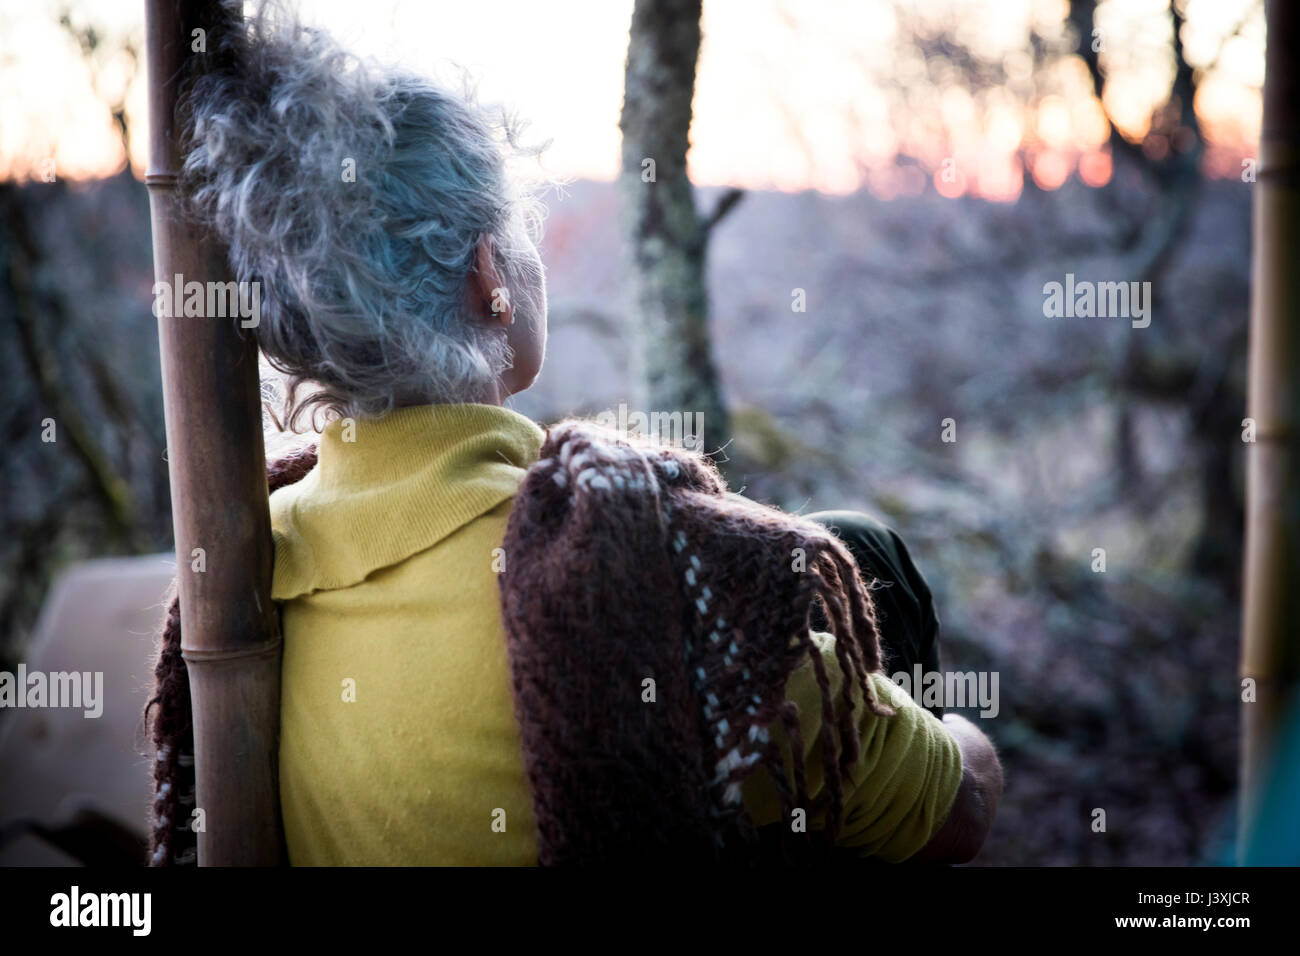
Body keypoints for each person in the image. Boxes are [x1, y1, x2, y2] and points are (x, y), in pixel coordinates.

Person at [145, 0, 1001, 866]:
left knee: (849, 543)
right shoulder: (644, 586)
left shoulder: (264, 560)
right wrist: (961, 734)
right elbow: (957, 813)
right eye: (521, 232)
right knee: (871, 563)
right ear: (490, 279)